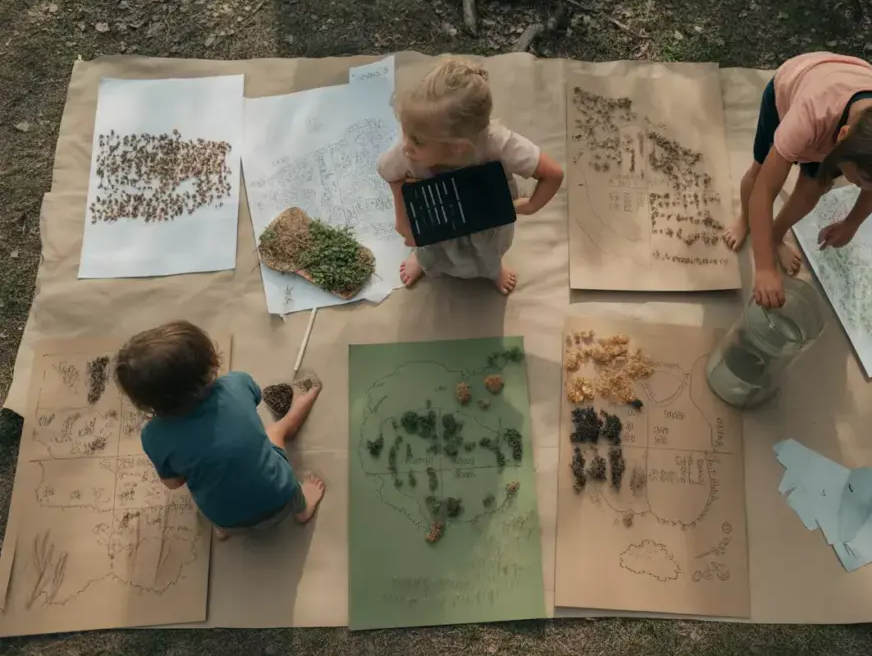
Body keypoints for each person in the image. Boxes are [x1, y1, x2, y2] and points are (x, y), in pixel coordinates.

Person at [722, 52, 872, 308]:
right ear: (842, 140)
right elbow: (764, 190)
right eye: (859, 182)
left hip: (842, 118)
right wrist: (764, 268)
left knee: (814, 187)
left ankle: (775, 235)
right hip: (792, 88)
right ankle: (743, 220)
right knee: (760, 172)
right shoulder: (808, 117)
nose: (863, 189)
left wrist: (851, 224)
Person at [114, 321, 325, 540]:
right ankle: (303, 509)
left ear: (143, 402)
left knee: (213, 496)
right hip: (279, 501)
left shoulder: (153, 436)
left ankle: (223, 531)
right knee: (275, 433)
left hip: (225, 519)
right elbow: (255, 399)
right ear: (211, 362)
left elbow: (173, 484)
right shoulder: (237, 383)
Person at [377, 58, 564, 295]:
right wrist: (403, 221)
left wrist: (531, 206)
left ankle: (493, 271)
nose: (406, 146)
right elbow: (391, 175)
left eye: (417, 140)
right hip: (436, 216)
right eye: (405, 132)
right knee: (430, 250)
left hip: (486, 222)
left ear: (458, 147)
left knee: (489, 252)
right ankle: (422, 262)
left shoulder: (498, 143)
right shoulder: (408, 154)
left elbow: (552, 173)